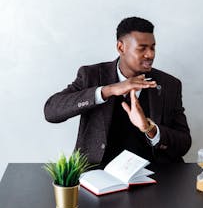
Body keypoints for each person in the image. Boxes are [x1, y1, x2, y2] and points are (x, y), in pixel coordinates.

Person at [44, 17, 191, 164]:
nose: (150, 54)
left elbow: (184, 144)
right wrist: (109, 90)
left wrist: (149, 128)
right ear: (121, 48)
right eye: (142, 48)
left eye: (152, 47)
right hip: (99, 174)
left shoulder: (170, 85)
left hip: (155, 175)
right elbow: (51, 111)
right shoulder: (91, 75)